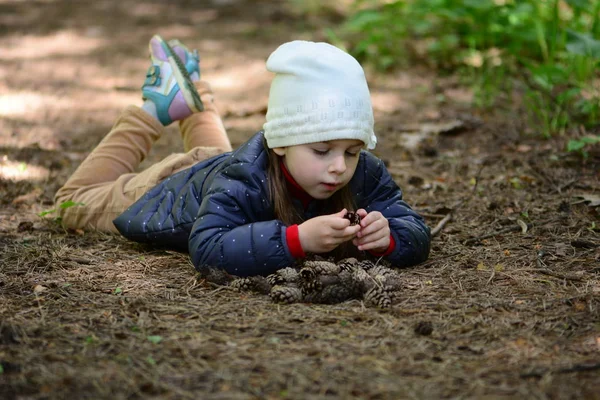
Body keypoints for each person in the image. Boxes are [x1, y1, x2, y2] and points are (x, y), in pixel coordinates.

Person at [54, 35, 431, 277]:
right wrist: (296, 240)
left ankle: (193, 96)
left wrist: (390, 238)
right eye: (321, 150)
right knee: (70, 202)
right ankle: (156, 109)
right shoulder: (245, 177)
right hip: (167, 192)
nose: (338, 166)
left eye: (351, 152)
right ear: (280, 143)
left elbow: (413, 226)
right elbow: (208, 246)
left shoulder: (362, 172)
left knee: (220, 161)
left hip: (217, 170)